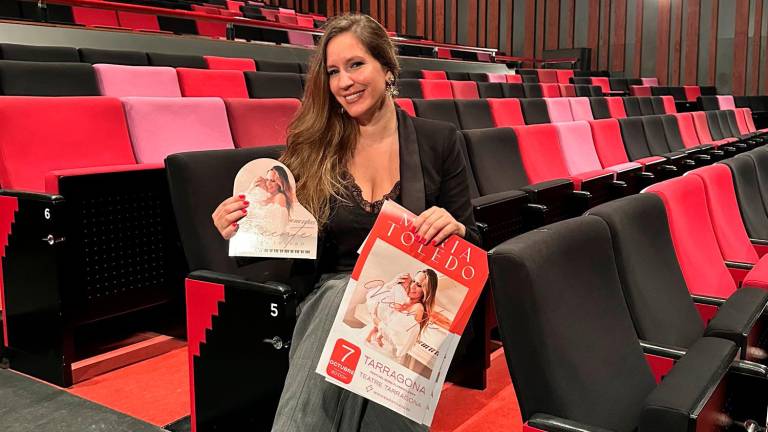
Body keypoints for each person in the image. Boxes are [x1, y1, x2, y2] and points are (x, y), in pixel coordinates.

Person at [211, 12, 479, 432]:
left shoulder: (438, 140)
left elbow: (474, 241)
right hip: (327, 301)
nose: (344, 82)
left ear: (387, 68)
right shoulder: (314, 144)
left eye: (356, 65)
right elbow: (280, 231)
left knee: (386, 326)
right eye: (333, 71)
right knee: (342, 296)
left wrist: (455, 228)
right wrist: (238, 225)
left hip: (406, 309)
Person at [365, 269, 438, 364]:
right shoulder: (403, 297)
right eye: (413, 281)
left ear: (426, 292)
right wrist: (390, 284)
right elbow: (371, 299)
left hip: (384, 352)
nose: (412, 286)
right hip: (371, 339)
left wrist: (375, 319)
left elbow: (393, 336)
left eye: (419, 285)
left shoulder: (418, 308)